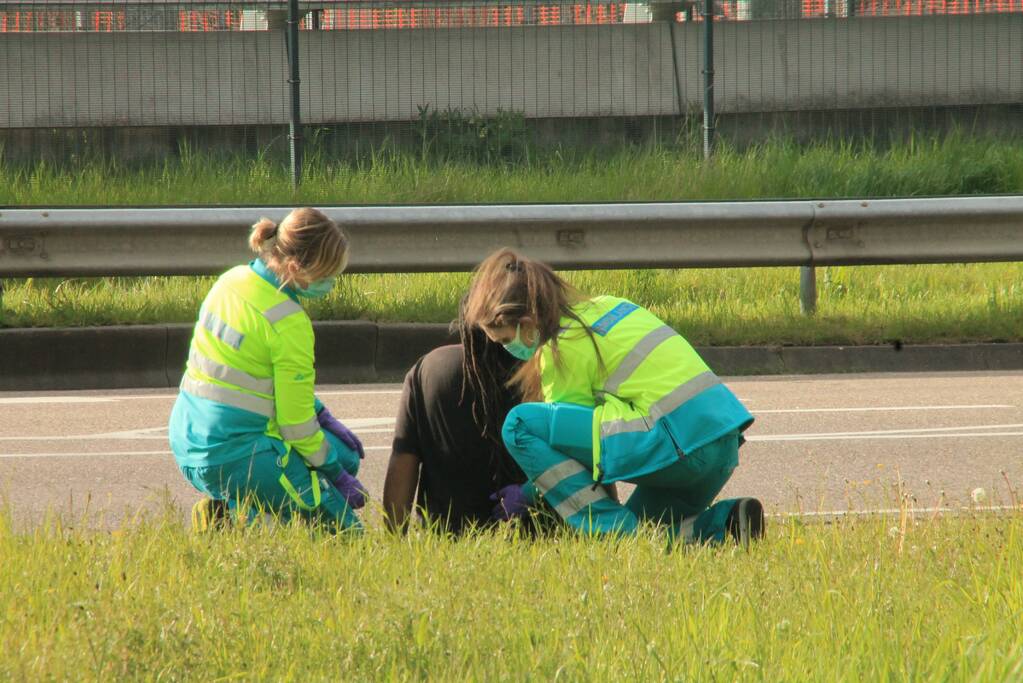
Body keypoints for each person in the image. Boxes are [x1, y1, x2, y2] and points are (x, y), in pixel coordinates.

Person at [462, 248, 764, 546]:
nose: (506, 349)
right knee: (648, 531)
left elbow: (571, 458)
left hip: (679, 447)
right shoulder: (610, 306)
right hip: (720, 445)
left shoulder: (563, 349)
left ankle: (616, 537)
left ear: (527, 324)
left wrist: (527, 495)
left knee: (519, 425)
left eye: (504, 340)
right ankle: (726, 521)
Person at [169, 208, 368, 532]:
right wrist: (334, 472)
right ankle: (232, 514)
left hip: (188, 438)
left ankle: (230, 506)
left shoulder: (230, 281)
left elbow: (250, 376)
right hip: (236, 455)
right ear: (294, 268)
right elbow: (296, 427)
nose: (331, 284)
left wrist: (323, 415)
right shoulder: (288, 322)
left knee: (346, 455)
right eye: (326, 275)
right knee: (347, 534)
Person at [383, 314, 543, 534]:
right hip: (531, 534)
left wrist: (394, 538)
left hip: (444, 535)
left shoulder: (428, 368)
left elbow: (403, 459)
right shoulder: (539, 371)